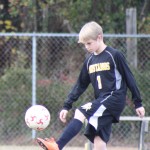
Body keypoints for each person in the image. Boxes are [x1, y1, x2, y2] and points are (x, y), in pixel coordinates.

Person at [36, 21, 145, 150]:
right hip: (102, 101)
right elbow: (80, 85)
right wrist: (67, 105)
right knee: (98, 139)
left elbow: (129, 78)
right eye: (84, 44)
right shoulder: (89, 61)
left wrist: (138, 102)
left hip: (114, 99)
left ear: (99, 37)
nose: (87, 47)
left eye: (89, 43)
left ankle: (58, 146)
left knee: (80, 112)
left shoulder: (114, 55)